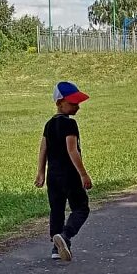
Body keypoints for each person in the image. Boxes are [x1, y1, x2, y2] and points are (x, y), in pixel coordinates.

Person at [34, 82, 92, 261]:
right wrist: (83, 174)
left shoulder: (49, 124)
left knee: (56, 209)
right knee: (81, 208)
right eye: (73, 103)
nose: (77, 107)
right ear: (59, 103)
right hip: (71, 175)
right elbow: (72, 150)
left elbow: (43, 149)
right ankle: (65, 236)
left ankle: (55, 248)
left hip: (53, 175)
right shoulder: (70, 124)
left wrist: (41, 172)